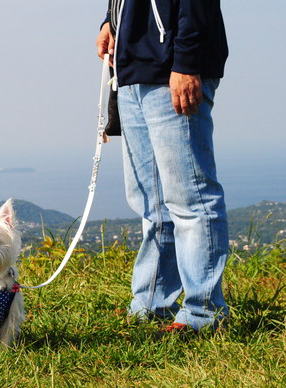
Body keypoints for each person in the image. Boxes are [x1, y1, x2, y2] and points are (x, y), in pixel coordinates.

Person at [96, 0, 230, 332]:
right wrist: (111, 21)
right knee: (152, 205)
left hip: (173, 67)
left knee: (191, 199)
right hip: (132, 69)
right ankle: (151, 306)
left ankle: (203, 315)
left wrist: (186, 61)